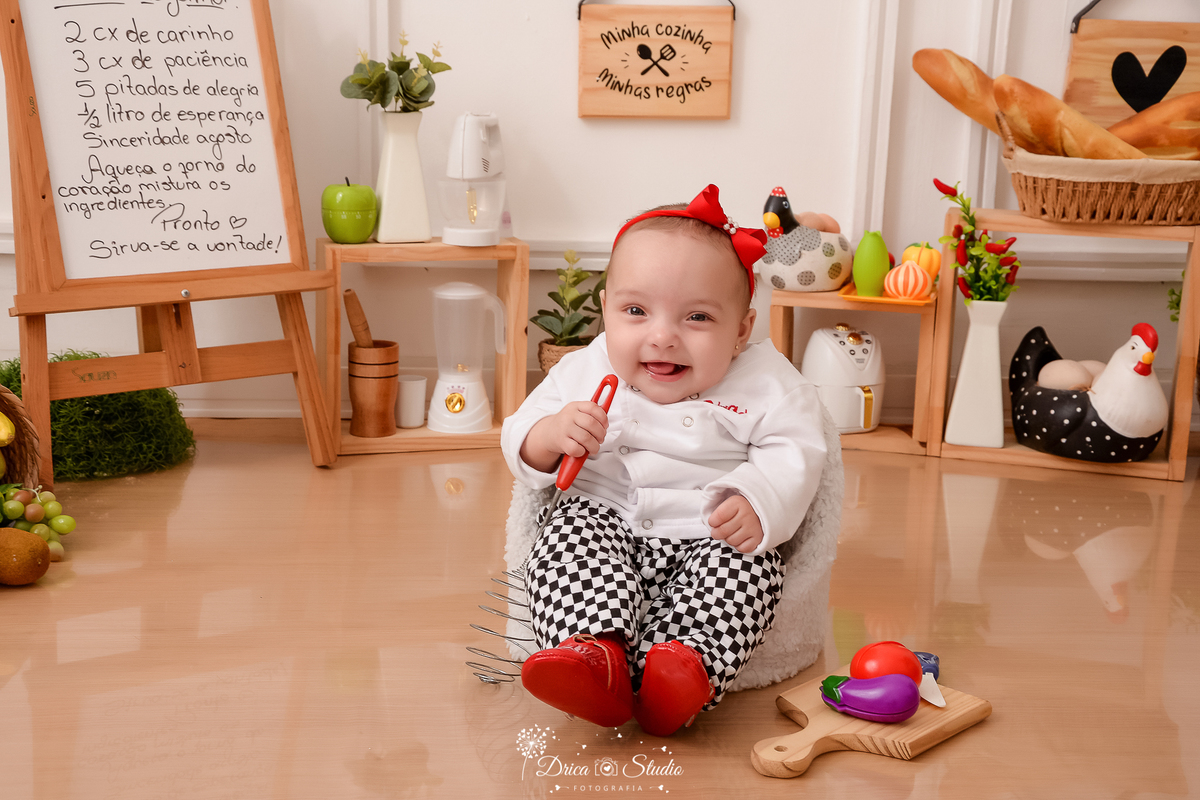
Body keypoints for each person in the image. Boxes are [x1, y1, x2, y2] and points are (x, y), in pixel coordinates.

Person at [501, 184, 828, 736]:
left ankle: (682, 669)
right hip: (604, 516)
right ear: (606, 310)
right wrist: (553, 433)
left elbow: (798, 450)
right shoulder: (585, 367)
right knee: (564, 543)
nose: (662, 337)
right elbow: (520, 440)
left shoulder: (768, 381)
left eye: (697, 318)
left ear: (741, 330)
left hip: (710, 530)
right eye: (635, 311)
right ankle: (593, 657)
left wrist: (758, 498)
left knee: (750, 571)